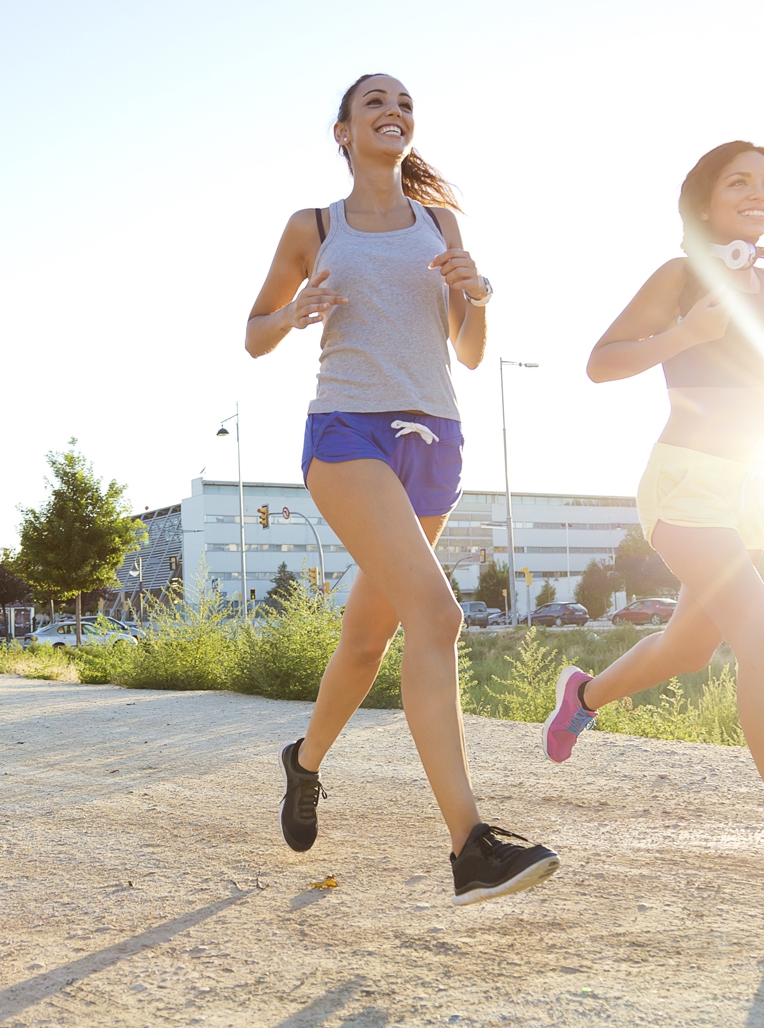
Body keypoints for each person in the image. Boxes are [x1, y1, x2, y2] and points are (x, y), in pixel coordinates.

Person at [245, 73, 559, 905]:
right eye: (375, 103)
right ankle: (470, 845)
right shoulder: (312, 226)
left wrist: (477, 293)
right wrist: (295, 313)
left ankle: (303, 764)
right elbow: (253, 333)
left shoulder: (441, 223)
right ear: (343, 131)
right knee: (439, 614)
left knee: (365, 641)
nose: (394, 112)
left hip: (436, 439)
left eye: (406, 105)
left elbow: (470, 351)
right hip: (348, 431)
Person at [546, 141, 764, 886]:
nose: (760, 192)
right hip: (687, 486)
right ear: (704, 200)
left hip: (750, 491)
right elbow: (602, 361)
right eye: (740, 181)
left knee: (688, 648)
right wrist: (685, 334)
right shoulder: (681, 275)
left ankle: (583, 695)